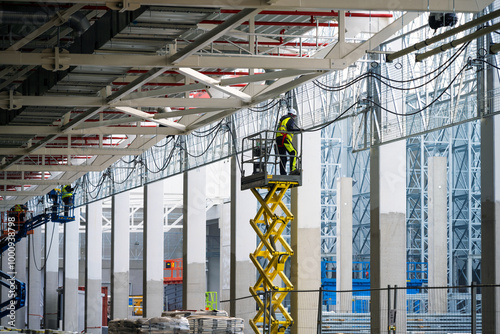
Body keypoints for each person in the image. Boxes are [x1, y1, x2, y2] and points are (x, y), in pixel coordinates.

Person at [275, 109, 302, 175]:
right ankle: (293, 169)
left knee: (283, 157)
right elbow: (289, 128)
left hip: (278, 139)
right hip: (284, 138)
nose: (294, 118)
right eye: (294, 116)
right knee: (294, 152)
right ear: (292, 115)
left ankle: (283, 173)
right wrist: (298, 130)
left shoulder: (282, 120)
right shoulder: (290, 119)